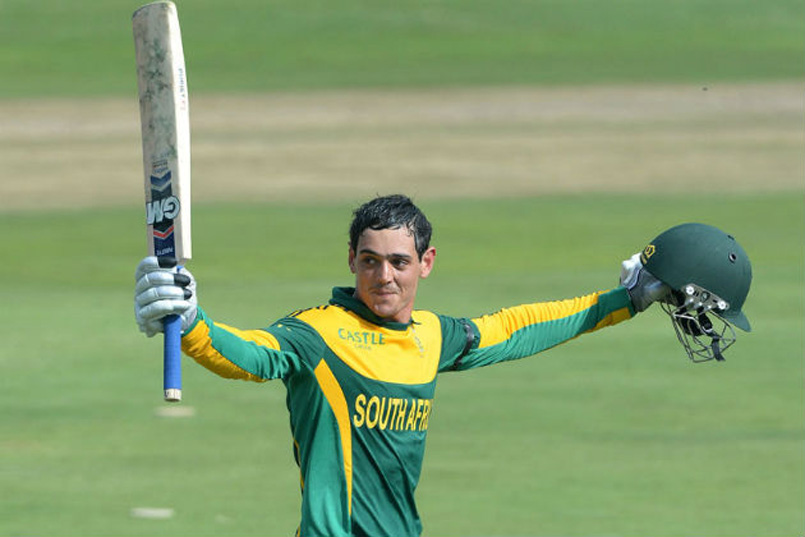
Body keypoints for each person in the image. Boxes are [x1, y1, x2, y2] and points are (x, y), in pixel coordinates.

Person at [134, 194, 670, 537]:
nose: (383, 276)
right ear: (351, 260)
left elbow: (519, 327)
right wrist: (192, 321)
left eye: (399, 262)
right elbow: (251, 356)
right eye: (370, 261)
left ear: (426, 263)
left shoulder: (432, 338)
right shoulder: (317, 333)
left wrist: (628, 299)